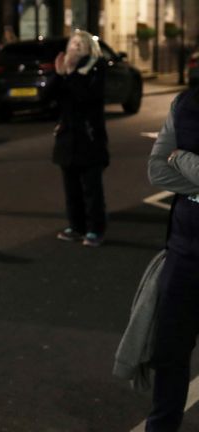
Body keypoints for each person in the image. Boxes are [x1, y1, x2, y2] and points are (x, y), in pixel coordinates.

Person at [145, 87, 199, 431]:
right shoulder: (186, 104)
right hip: (185, 248)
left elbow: (169, 164)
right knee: (169, 353)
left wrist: (181, 159)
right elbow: (156, 171)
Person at [51, 30, 108, 247]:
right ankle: (76, 226)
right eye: (72, 43)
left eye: (79, 44)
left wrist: (72, 73)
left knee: (92, 188)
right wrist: (59, 75)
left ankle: (96, 229)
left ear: (88, 48)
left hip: (89, 136)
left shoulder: (96, 67)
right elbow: (48, 96)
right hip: (67, 138)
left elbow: (87, 98)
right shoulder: (67, 70)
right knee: (71, 187)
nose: (74, 47)